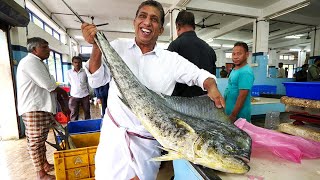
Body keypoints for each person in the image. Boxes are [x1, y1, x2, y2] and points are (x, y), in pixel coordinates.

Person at [81, 0, 225, 179]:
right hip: (114, 137)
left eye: (154, 19)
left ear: (161, 29)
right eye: (143, 16)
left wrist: (211, 86)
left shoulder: (170, 59)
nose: (147, 22)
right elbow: (96, 80)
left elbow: (200, 75)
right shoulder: (117, 47)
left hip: (147, 142)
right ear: (134, 22)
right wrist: (96, 46)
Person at [16, 37, 70, 180]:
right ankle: (40, 174)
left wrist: (62, 103)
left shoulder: (38, 63)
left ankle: (44, 165)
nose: (49, 50)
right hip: (34, 108)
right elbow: (49, 85)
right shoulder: (30, 62)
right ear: (34, 49)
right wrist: (63, 94)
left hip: (42, 107)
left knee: (42, 139)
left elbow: (51, 85)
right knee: (35, 142)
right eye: (44, 47)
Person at [167, 10, 217, 97]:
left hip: (181, 104)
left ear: (178, 26)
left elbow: (168, 78)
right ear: (194, 26)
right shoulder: (210, 49)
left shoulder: (175, 46)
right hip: (204, 102)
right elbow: (211, 78)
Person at [224, 42, 254, 122]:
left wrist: (233, 115)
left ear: (247, 54)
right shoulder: (235, 69)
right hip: (230, 111)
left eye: (239, 54)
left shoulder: (245, 72)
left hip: (239, 115)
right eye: (233, 54)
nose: (235, 57)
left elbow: (242, 96)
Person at [67, 56, 91, 120]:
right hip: (74, 96)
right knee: (74, 113)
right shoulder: (69, 72)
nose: (77, 64)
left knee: (87, 112)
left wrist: (89, 93)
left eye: (79, 62)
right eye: (75, 62)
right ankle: (74, 127)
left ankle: (88, 125)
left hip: (85, 95)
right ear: (72, 63)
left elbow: (88, 83)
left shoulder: (85, 72)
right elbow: (71, 83)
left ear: (81, 63)